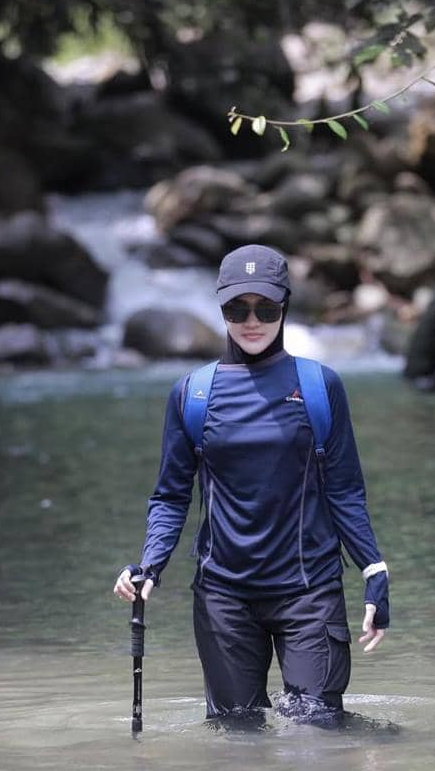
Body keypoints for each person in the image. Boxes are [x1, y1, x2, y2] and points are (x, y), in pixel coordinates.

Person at [113, 244, 390, 722]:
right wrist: (150, 566)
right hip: (224, 599)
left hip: (310, 594)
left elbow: (344, 490)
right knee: (237, 743)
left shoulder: (321, 387)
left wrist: (373, 570)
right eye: (236, 308)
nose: (251, 320)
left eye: (266, 307)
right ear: (220, 308)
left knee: (319, 733)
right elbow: (171, 494)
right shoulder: (192, 395)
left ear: (285, 304)